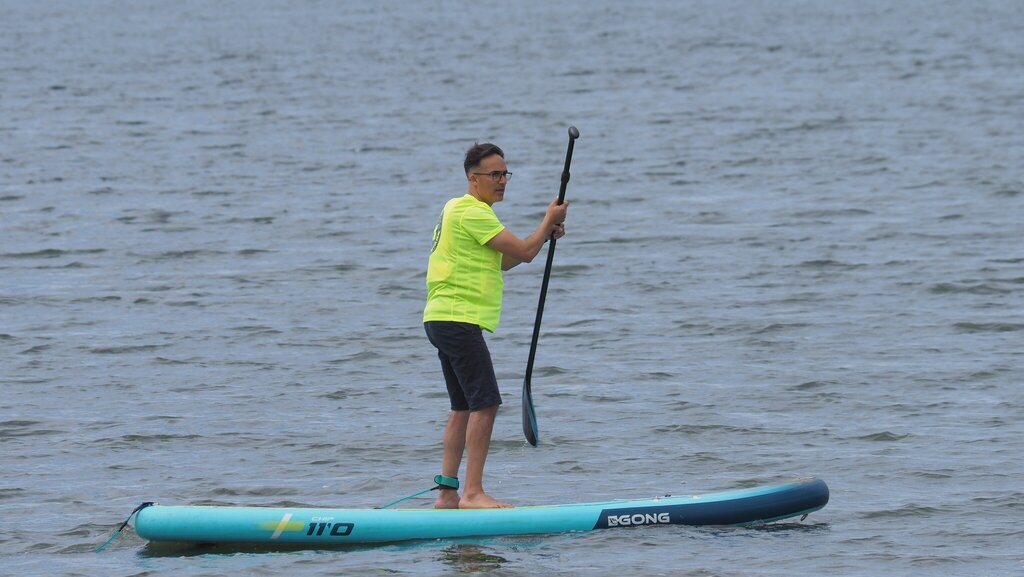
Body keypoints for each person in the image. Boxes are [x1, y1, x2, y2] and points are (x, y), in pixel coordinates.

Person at [423, 142, 568, 509]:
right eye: (494, 175)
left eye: (505, 174)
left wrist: (543, 234)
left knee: (462, 407)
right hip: (457, 318)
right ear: (474, 178)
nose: (502, 181)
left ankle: (447, 494)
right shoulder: (473, 212)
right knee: (485, 404)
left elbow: (507, 260)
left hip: (441, 318)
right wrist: (547, 221)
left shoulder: (456, 208)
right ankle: (472, 493)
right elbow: (524, 252)